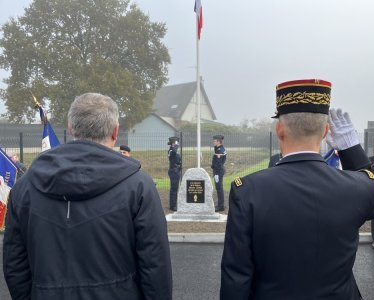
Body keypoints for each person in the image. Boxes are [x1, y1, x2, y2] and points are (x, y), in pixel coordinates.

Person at [220, 79, 374, 300]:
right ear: (327, 131)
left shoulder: (248, 190)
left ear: (280, 129)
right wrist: (351, 151)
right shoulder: (356, 186)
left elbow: (236, 275)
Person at [3, 93, 172, 300]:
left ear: (71, 128)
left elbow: (15, 263)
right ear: (115, 131)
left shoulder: (24, 187)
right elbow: (155, 264)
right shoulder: (139, 186)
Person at [211, 134, 227, 212]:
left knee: (219, 188)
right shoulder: (220, 148)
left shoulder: (219, 151)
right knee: (219, 188)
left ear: (218, 141)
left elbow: (218, 163)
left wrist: (216, 174)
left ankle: (220, 206)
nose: (213, 142)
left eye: (214, 141)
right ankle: (220, 205)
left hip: (218, 171)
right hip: (219, 170)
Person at [168, 136, 181, 211]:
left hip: (176, 170)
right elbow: (173, 152)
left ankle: (174, 203)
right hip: (173, 171)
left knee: (175, 188)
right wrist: (175, 145)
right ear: (174, 143)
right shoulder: (171, 150)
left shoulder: (174, 150)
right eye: (177, 142)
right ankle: (172, 205)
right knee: (174, 189)